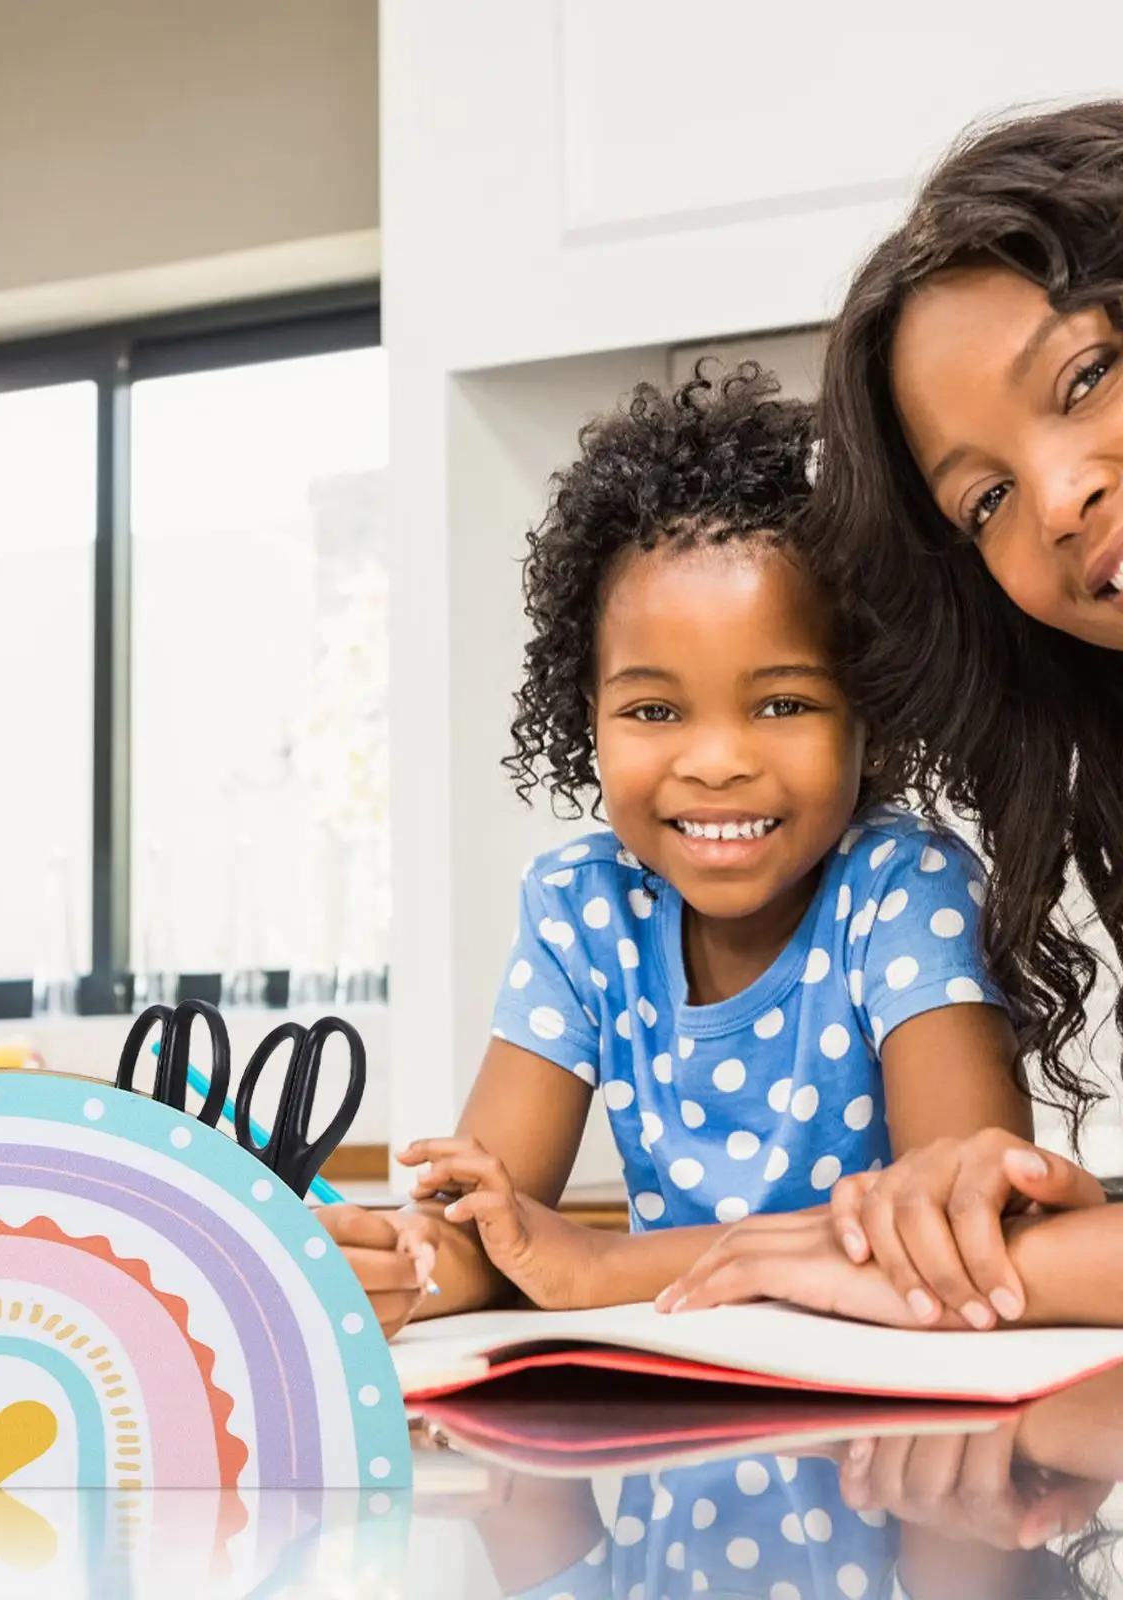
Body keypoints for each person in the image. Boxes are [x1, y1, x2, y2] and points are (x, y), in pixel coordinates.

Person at [322, 364, 1030, 1335]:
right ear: (590, 721)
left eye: (782, 704)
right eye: (653, 710)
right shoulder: (582, 910)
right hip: (676, 1445)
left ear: (875, 717)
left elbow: (955, 1224)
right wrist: (403, 1263)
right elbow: (489, 1234)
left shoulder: (902, 891)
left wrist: (600, 1263)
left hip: (887, 1436)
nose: (716, 763)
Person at [662, 102, 1123, 1331]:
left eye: (1086, 375)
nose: (1062, 497)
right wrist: (993, 1216)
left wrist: (923, 1271)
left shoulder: (898, 888)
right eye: (985, 501)